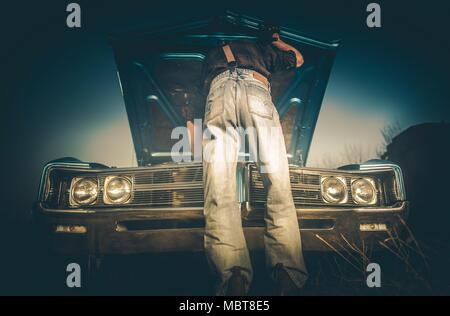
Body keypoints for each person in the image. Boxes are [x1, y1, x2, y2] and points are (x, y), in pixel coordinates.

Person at [200, 23, 308, 295]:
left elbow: (194, 98)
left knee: (218, 187)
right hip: (256, 89)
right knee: (277, 180)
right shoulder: (262, 49)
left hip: (218, 91)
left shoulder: (210, 54)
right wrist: (276, 40)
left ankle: (232, 276)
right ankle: (286, 274)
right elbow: (298, 58)